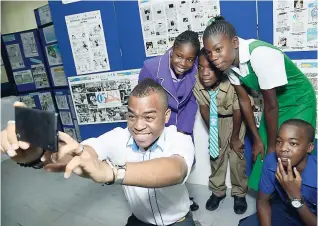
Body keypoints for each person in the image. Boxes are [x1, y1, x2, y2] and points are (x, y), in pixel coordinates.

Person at [1, 79, 196, 226]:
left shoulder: (179, 138)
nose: (138, 125)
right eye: (131, 116)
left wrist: (112, 172)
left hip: (178, 222)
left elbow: (175, 170)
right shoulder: (118, 137)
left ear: (166, 115)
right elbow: (81, 155)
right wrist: (36, 153)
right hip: (140, 221)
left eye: (149, 117)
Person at [202, 16, 317, 191]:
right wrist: (257, 139)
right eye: (209, 53)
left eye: (218, 49)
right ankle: (270, 197)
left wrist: (272, 148)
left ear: (234, 42)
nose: (214, 58)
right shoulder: (228, 65)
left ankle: (303, 196)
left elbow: (271, 106)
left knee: (291, 149)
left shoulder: (260, 54)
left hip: (299, 101)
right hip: (275, 104)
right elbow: (244, 100)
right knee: (263, 149)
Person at [139, 30, 201, 211]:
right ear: (172, 50)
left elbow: (192, 101)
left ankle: (180, 200)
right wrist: (154, 127)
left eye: (190, 59)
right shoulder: (151, 68)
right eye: (180, 56)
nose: (183, 63)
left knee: (180, 164)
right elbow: (143, 102)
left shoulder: (196, 68)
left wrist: (184, 130)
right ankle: (161, 205)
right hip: (158, 125)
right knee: (158, 166)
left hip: (182, 124)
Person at [193, 48, 249, 214]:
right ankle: (218, 191)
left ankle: (239, 193)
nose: (205, 73)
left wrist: (235, 138)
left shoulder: (231, 81)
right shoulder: (198, 82)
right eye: (201, 68)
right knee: (215, 155)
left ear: (220, 69)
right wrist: (213, 134)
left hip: (235, 119)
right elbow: (204, 109)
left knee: (236, 157)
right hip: (215, 119)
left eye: (210, 69)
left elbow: (238, 110)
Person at [239, 119, 317, 226]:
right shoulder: (271, 161)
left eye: (293, 143)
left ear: (309, 148)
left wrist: (295, 198)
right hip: (283, 208)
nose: (283, 148)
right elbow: (262, 201)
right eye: (279, 141)